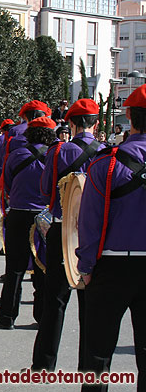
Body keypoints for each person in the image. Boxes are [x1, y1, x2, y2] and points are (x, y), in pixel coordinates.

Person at [77, 84, 146, 391]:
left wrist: (86, 267)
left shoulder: (106, 163)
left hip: (110, 266)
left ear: (129, 116)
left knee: (96, 356)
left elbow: (88, 223)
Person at [32, 98, 103, 372]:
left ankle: (43, 366)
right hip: (95, 234)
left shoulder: (59, 150)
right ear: (96, 124)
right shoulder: (107, 151)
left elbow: (45, 189)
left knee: (55, 301)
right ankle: (89, 369)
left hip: (62, 230)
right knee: (91, 306)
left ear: (71, 123)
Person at [0, 116, 55, 330]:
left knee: (14, 269)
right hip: (44, 216)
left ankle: (7, 317)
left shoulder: (16, 154)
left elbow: (7, 186)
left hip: (19, 214)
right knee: (43, 269)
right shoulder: (54, 156)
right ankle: (42, 316)